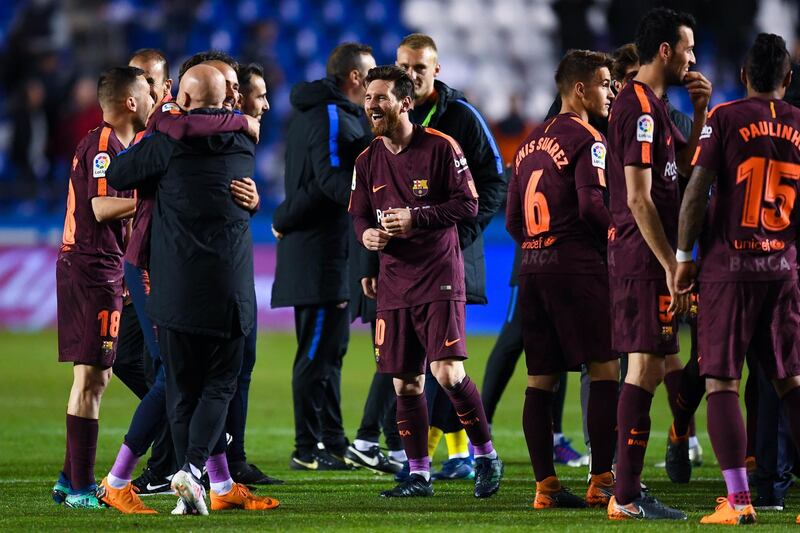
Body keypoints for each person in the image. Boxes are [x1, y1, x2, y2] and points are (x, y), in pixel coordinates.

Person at [107, 64, 278, 515]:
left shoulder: (165, 144)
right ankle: (195, 473)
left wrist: (164, 119)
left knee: (181, 386)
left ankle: (203, 480)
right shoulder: (244, 140)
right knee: (219, 384)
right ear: (225, 100)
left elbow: (121, 174)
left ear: (182, 98)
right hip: (228, 288)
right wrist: (240, 120)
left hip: (174, 289)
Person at [349, 65, 503, 498]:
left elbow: (469, 204)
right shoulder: (367, 159)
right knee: (405, 381)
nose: (372, 105)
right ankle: (419, 474)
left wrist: (415, 218)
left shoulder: (441, 147)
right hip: (394, 280)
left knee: (448, 373)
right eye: (368, 98)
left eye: (381, 97)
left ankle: (486, 455)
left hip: (438, 275)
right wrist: (367, 236)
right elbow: (359, 213)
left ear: (405, 102)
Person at [672, 33, 800, 526]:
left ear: (744, 76)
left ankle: (738, 501)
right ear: (787, 80)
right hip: (782, 269)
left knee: (722, 381)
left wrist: (684, 256)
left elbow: (698, 188)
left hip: (730, 267)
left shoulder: (725, 118)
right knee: (789, 380)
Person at [605, 7, 711, 520]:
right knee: (644, 367)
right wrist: (672, 262)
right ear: (665, 51)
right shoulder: (641, 110)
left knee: (660, 365)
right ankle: (624, 496)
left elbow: (683, 175)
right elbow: (639, 198)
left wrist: (703, 109)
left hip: (648, 257)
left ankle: (633, 484)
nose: (693, 56)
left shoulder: (655, 106)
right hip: (644, 259)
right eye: (688, 47)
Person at [507, 49, 619, 509]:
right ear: (580, 88)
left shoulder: (530, 142)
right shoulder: (590, 138)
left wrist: (539, 246)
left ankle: (546, 487)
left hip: (533, 270)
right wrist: (617, 238)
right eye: (605, 83)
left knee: (540, 381)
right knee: (606, 368)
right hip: (578, 268)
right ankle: (603, 481)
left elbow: (513, 219)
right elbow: (593, 206)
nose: (611, 92)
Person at [395, 32, 507, 480]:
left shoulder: (461, 116)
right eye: (404, 66)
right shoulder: (389, 117)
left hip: (451, 256)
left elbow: (496, 180)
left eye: (420, 67)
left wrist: (462, 233)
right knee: (415, 365)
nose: (411, 75)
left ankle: (460, 454)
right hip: (404, 263)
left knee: (443, 362)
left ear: (436, 70)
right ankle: (448, 454)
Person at [270, 43, 376, 471]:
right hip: (319, 255)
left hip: (329, 253)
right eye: (369, 76)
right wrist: (371, 192)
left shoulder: (335, 115)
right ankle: (305, 446)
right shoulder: (332, 116)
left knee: (331, 352)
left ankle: (332, 441)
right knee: (315, 355)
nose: (374, 86)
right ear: (353, 77)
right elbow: (332, 182)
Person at [52, 66, 151, 509]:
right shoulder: (106, 145)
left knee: (98, 375)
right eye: (148, 92)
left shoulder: (116, 142)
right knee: (91, 378)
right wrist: (149, 203)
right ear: (130, 101)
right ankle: (79, 489)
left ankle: (67, 478)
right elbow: (99, 206)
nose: (153, 99)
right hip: (91, 267)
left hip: (100, 267)